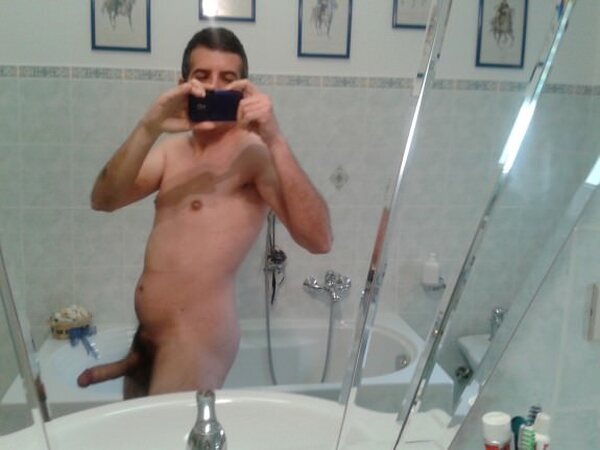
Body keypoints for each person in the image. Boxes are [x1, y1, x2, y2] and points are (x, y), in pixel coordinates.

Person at [76, 27, 332, 398]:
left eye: (227, 79)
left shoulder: (254, 154)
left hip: (194, 339)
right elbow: (103, 199)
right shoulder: (171, 151)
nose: (213, 88)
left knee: (165, 431)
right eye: (202, 76)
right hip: (146, 335)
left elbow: (320, 239)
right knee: (141, 430)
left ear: (243, 90)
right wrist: (149, 126)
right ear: (183, 85)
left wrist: (275, 138)